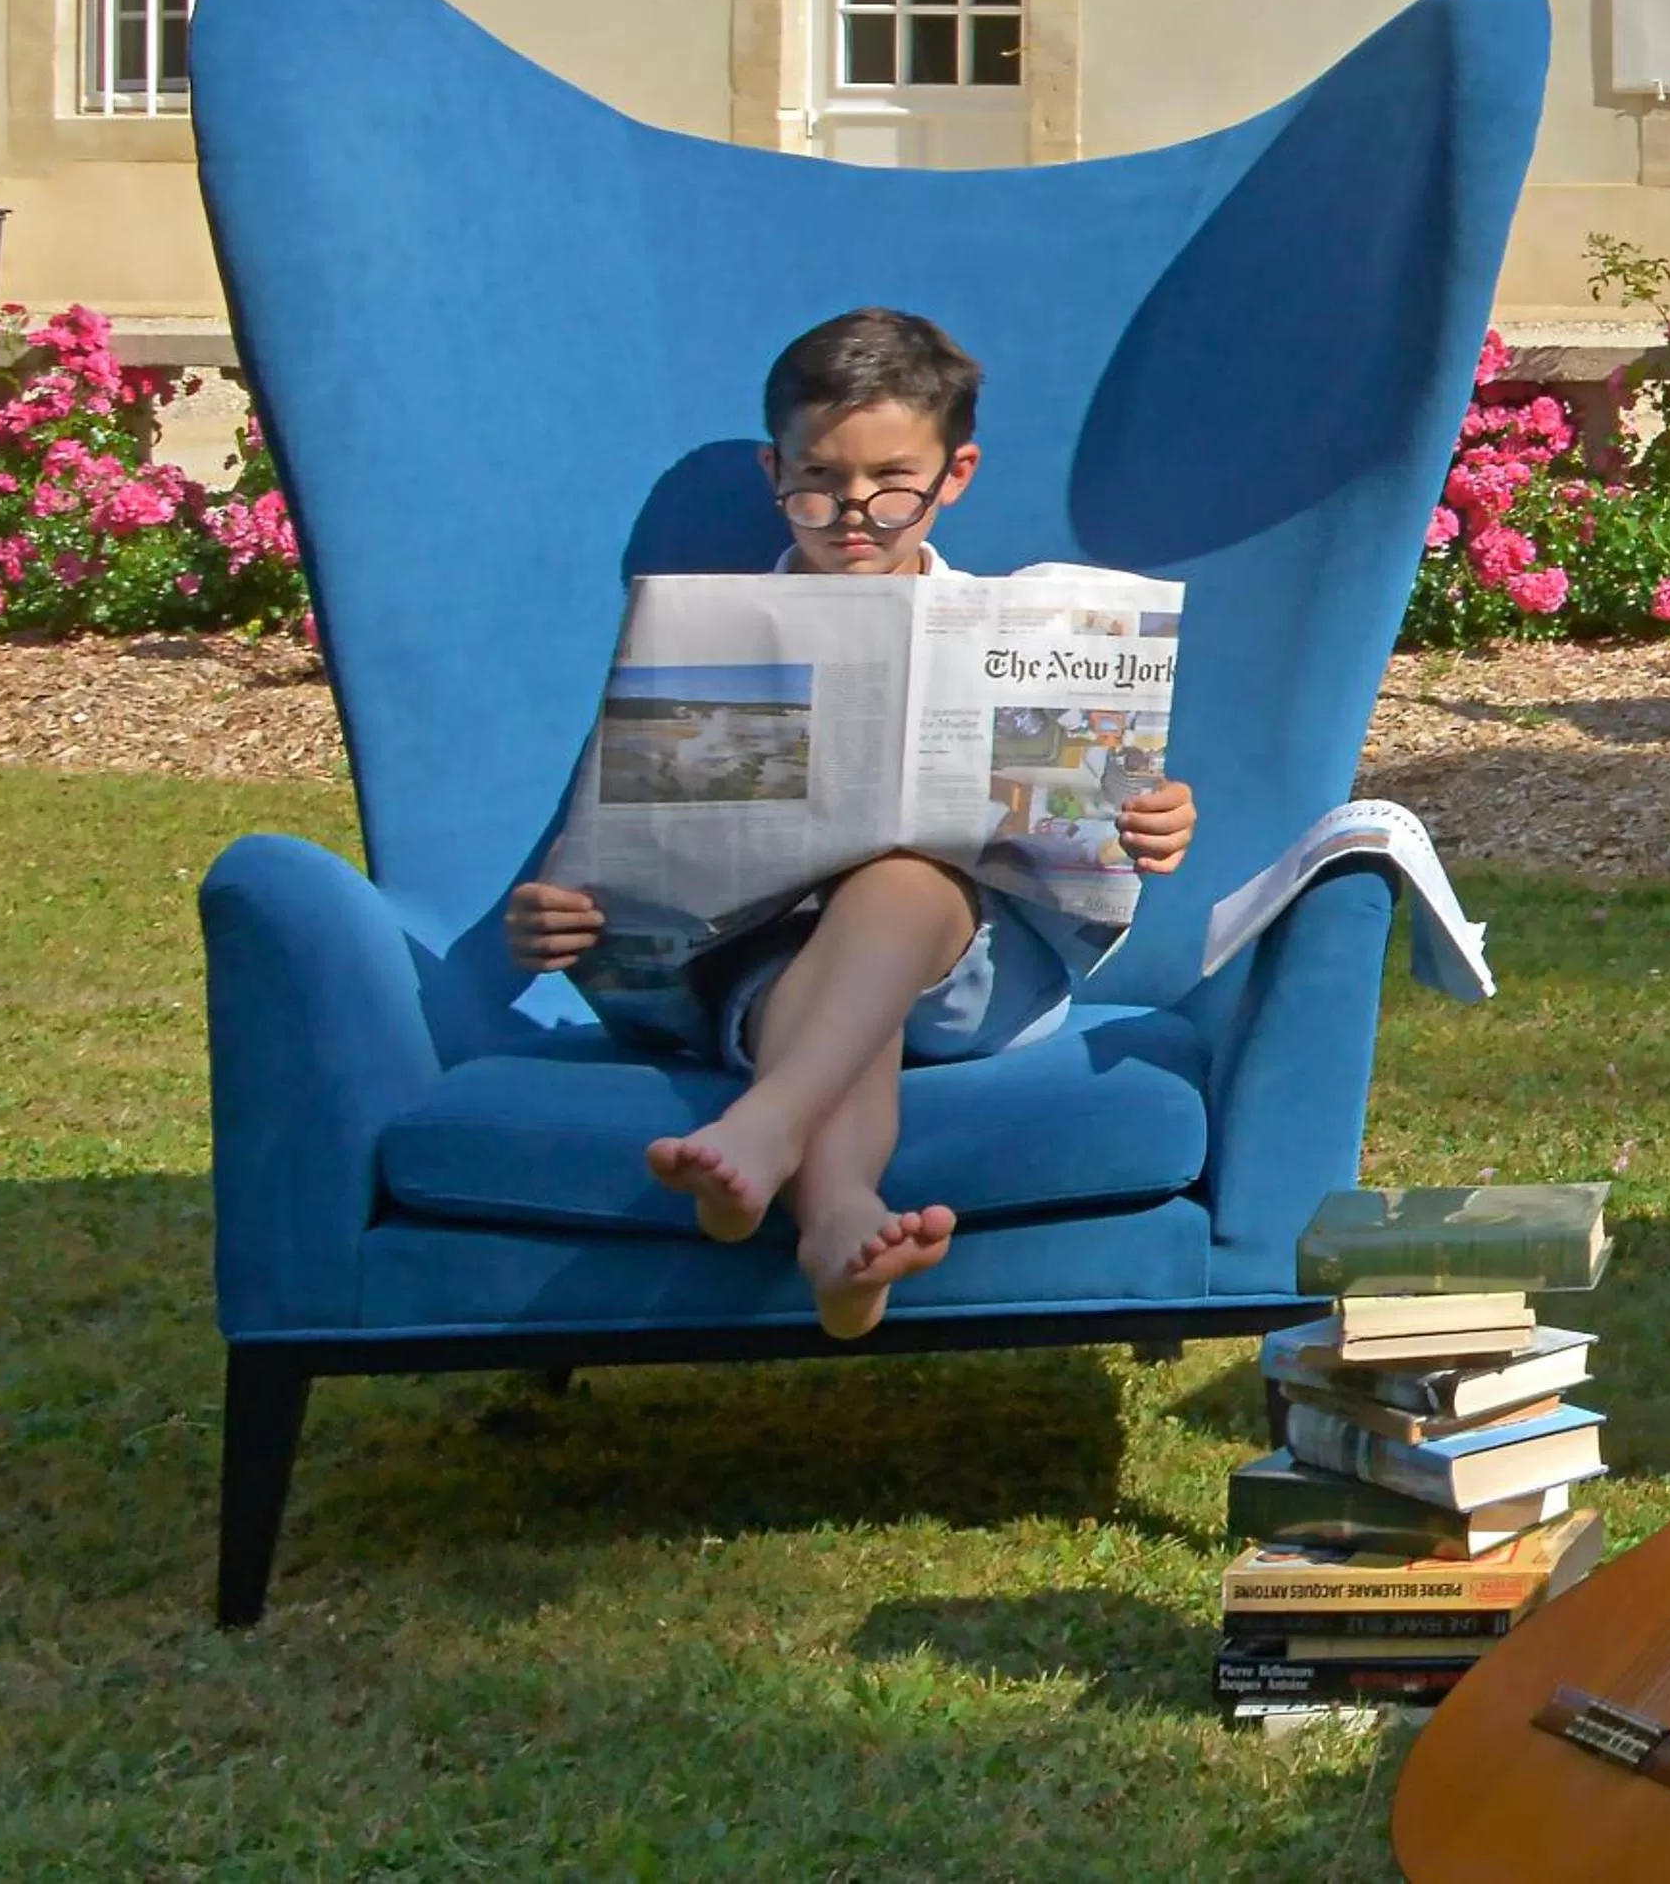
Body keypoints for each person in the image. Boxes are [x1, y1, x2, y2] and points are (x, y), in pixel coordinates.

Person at [504, 309, 1198, 1338]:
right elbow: (611, 848)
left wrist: (1157, 819)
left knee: (900, 880)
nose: (852, 514)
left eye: (892, 482)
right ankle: (839, 1228)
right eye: (818, 482)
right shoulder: (711, 639)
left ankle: (765, 1127)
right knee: (830, 975)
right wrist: (550, 917)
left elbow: (1094, 807)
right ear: (773, 470)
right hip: (770, 974)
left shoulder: (1020, 632)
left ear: (954, 475)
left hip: (973, 972)